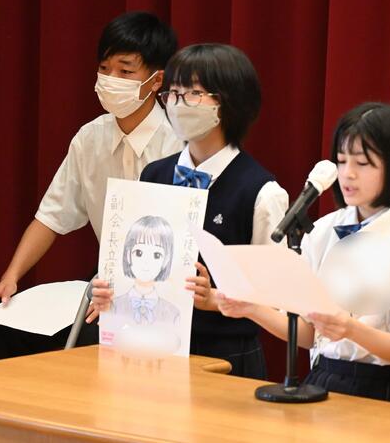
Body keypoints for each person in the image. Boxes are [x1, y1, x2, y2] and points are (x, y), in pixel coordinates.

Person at [217, 102, 390, 404]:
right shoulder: (322, 230)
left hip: (383, 390)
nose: (347, 174)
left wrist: (350, 329)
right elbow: (307, 334)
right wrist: (250, 308)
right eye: (341, 161)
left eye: (362, 163)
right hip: (322, 378)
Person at [0, 11, 182, 359]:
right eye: (104, 69)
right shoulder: (90, 138)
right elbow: (50, 216)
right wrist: (10, 277)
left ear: (156, 80)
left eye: (125, 71)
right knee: (4, 324)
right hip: (102, 282)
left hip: (160, 286)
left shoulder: (178, 145)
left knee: (93, 342)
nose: (111, 79)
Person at [92, 43, 289, 379]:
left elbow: (276, 299)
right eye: (173, 93)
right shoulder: (154, 174)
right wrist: (110, 288)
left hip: (227, 357)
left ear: (228, 102)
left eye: (194, 94)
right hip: (150, 349)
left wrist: (215, 299)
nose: (178, 104)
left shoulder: (261, 191)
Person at [112, 215, 180, 326]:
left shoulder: (173, 313)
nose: (146, 262)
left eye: (156, 255)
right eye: (139, 253)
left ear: (166, 260)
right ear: (128, 255)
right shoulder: (113, 306)